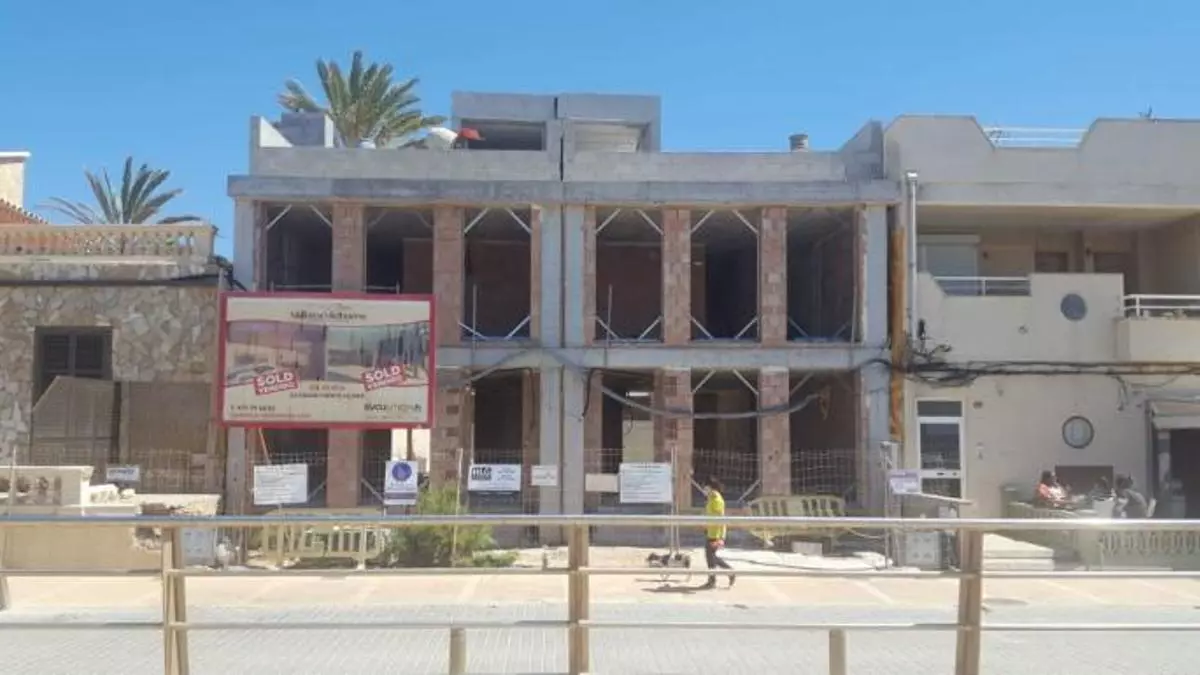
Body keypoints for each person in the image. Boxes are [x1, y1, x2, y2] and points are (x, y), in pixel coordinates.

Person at [700, 475, 735, 590]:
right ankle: (714, 579)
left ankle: (726, 573)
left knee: (711, 557)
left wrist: (721, 538)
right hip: (710, 532)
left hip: (715, 534)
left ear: (709, 487)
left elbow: (721, 519)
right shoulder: (711, 498)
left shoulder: (716, 499)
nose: (703, 489)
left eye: (704, 487)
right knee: (711, 557)